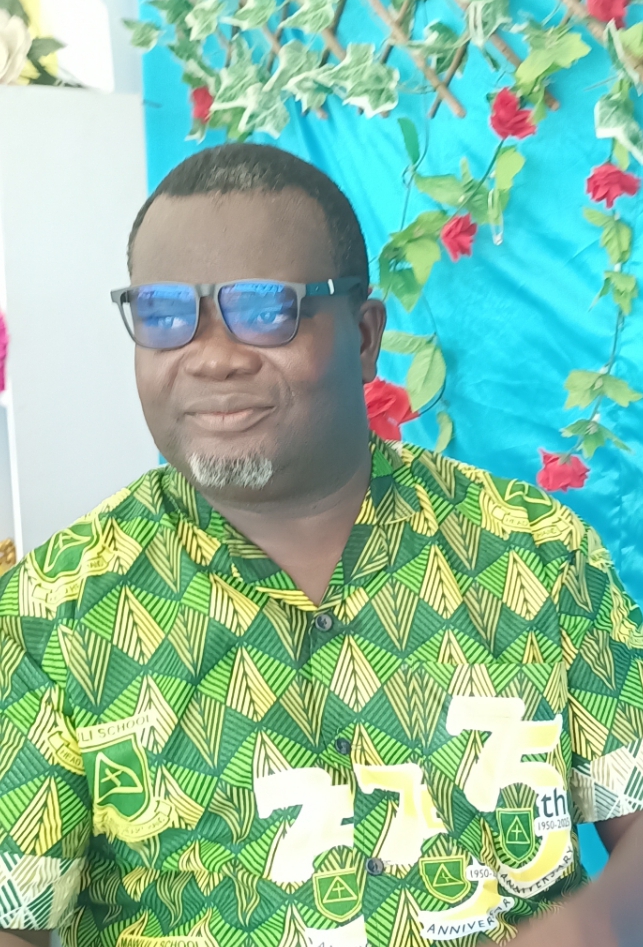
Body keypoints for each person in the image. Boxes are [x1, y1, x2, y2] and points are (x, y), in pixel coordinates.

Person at [0, 143, 642, 947]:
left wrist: (587, 929)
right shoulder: (52, 612)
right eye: (164, 315)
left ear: (363, 336)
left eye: (263, 309)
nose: (212, 356)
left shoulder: (536, 553)